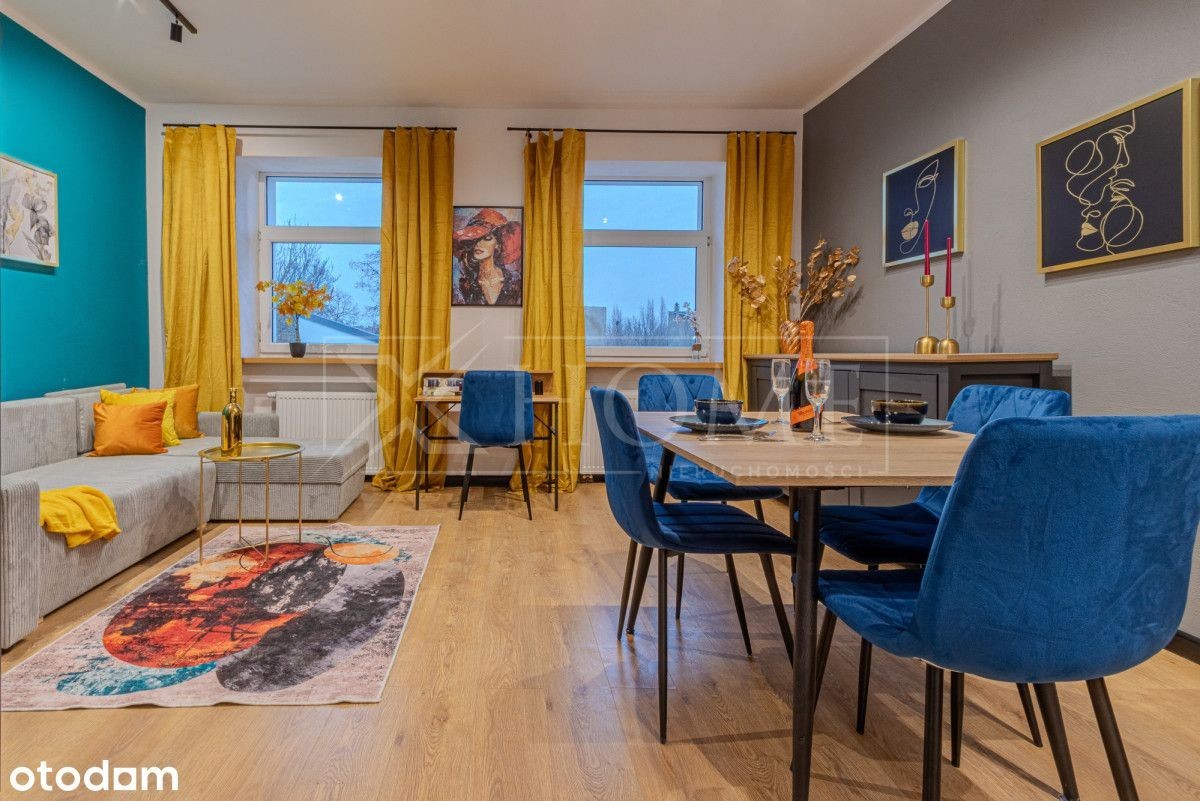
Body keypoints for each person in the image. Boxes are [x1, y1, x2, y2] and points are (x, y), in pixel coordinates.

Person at [452, 208, 522, 305]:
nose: (478, 244)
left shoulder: (515, 280)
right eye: (475, 239)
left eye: (487, 238)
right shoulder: (462, 285)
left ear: (498, 243)